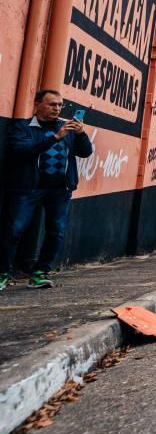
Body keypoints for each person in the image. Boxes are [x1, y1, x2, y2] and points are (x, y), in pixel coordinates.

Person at [1, 90, 93, 289]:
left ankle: (40, 272)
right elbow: (21, 150)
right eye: (52, 104)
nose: (57, 109)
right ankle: (3, 272)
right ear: (38, 105)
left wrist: (81, 133)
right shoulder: (23, 127)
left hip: (60, 189)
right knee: (14, 229)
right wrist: (55, 137)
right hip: (29, 187)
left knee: (56, 231)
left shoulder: (66, 128)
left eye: (60, 105)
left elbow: (85, 152)